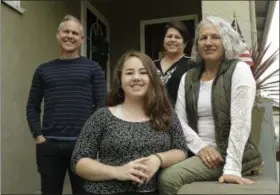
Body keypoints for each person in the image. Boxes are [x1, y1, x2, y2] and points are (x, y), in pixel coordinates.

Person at [158, 16, 263, 195]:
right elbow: (179, 121)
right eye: (203, 38)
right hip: (197, 151)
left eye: (215, 37)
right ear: (197, 44)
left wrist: (232, 168)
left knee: (167, 178)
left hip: (225, 154)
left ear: (226, 41)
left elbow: (241, 123)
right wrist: (201, 148)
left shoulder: (238, 70)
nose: (208, 42)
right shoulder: (188, 77)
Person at [71, 50, 187, 195]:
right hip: (104, 191)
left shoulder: (165, 114)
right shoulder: (102, 116)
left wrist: (158, 159)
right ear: (120, 80)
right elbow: (78, 161)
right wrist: (117, 171)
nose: (136, 78)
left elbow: (181, 150)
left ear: (152, 79)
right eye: (129, 73)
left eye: (143, 72)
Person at [26, 15, 107, 194]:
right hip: (49, 146)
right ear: (58, 34)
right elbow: (32, 105)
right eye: (66, 31)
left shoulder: (93, 68)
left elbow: (102, 106)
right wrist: (38, 136)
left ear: (82, 39)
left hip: (83, 146)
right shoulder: (43, 70)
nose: (70, 36)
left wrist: (93, 139)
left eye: (75, 33)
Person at [154, 21, 195, 106]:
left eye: (177, 37)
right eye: (169, 36)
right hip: (152, 115)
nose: (172, 40)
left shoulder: (192, 64)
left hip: (181, 116)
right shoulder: (151, 65)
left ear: (185, 43)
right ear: (163, 40)